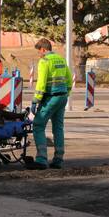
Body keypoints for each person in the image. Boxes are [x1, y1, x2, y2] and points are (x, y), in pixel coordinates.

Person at [28, 38, 73, 170]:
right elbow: (69, 80)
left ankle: (41, 159)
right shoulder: (61, 59)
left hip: (51, 98)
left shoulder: (44, 61)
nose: (39, 54)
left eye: (39, 51)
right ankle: (58, 159)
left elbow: (41, 84)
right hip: (62, 97)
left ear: (43, 49)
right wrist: (65, 94)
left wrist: (36, 100)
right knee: (58, 128)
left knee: (38, 125)